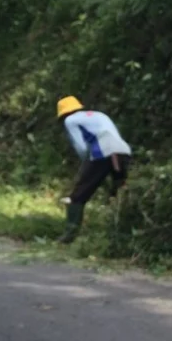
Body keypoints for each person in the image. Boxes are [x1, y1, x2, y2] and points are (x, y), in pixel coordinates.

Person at [56, 96, 132, 244]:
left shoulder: (70, 120)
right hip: (123, 151)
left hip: (102, 153)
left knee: (78, 194)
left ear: (64, 114)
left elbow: (82, 147)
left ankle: (69, 235)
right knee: (119, 190)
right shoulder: (99, 115)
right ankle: (120, 233)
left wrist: (86, 166)